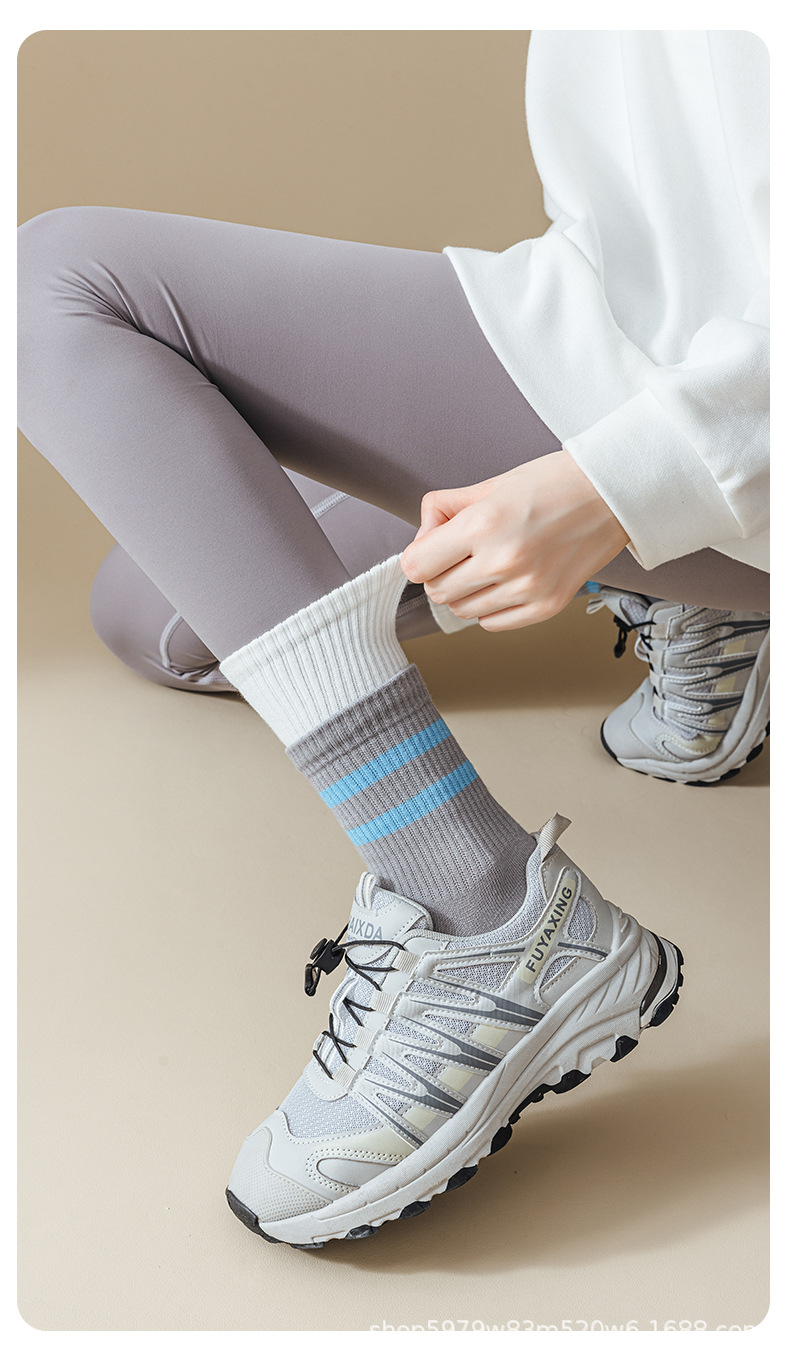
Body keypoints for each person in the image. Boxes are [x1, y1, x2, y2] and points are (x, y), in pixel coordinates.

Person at [17, 30, 767, 1249]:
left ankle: (482, 911)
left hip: (727, 419)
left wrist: (615, 483)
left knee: (57, 284)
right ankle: (709, 600)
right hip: (620, 342)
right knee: (160, 615)